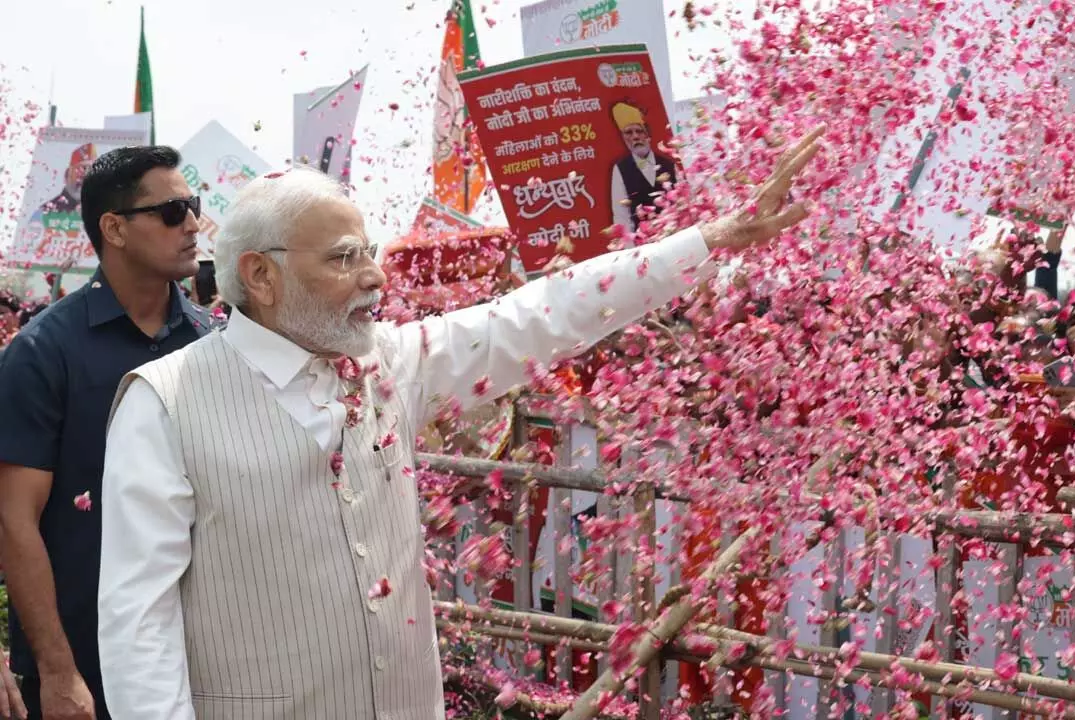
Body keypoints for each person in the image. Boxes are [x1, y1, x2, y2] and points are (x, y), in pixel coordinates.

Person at [96, 126, 825, 719]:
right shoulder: (163, 404)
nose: (376, 278)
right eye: (345, 259)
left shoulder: (390, 364)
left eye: (370, 255)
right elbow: (140, 624)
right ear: (259, 275)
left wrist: (711, 241)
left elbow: (542, 313)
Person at [0, 145, 210, 720]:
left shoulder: (212, 343)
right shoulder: (43, 354)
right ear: (114, 229)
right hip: (86, 667)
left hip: (200, 658)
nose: (193, 224)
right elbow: (15, 520)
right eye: (171, 212)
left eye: (193, 205)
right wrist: (57, 671)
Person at [609, 101, 679, 233]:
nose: (635, 137)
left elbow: (682, 203)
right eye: (629, 133)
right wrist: (632, 251)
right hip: (643, 246)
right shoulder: (620, 169)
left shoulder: (669, 165)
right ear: (623, 138)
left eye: (639, 131)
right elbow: (621, 216)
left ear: (647, 135)